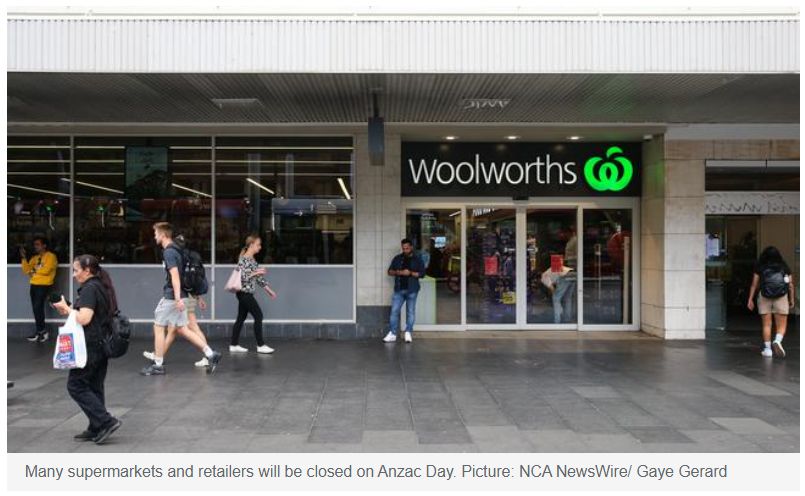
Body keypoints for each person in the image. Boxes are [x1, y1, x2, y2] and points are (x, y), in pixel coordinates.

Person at [51, 255, 122, 445]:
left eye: (76, 270)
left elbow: (84, 318)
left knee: (76, 385)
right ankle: (96, 426)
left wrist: (68, 310)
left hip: (90, 345)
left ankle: (106, 421)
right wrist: (69, 309)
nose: (74, 274)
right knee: (94, 386)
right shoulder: (100, 286)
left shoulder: (90, 288)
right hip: (101, 344)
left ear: (87, 270)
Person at [140, 222, 222, 376]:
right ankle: (211, 354)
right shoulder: (179, 251)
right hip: (182, 295)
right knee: (182, 329)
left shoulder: (169, 252)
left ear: (163, 235)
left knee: (158, 327)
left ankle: (158, 365)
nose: (154, 236)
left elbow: (175, 276)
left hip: (172, 296)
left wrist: (177, 298)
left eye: (156, 234)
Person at [230, 234, 278, 354]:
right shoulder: (244, 259)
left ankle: (233, 345)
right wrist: (256, 272)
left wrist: (269, 290)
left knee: (241, 318)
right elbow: (243, 278)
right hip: (244, 293)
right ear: (251, 245)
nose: (260, 247)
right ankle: (260, 345)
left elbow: (258, 278)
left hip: (246, 293)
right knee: (258, 316)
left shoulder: (252, 260)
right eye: (258, 245)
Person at [747, 246, 796, 358]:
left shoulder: (760, 266)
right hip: (781, 297)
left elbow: (754, 284)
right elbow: (790, 285)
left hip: (764, 297)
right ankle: (777, 341)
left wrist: (750, 299)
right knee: (781, 325)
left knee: (766, 325)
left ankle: (768, 350)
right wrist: (792, 299)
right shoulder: (784, 267)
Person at [383, 238, 425, 344]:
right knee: (394, 311)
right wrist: (399, 272)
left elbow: (422, 274)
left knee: (410, 312)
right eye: (403, 248)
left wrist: (410, 273)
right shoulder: (397, 258)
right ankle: (393, 334)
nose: (405, 250)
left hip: (412, 290)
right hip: (399, 289)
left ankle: (408, 332)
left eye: (407, 248)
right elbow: (389, 271)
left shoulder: (417, 259)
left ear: (411, 247)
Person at [21, 237, 58, 342]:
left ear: (44, 245)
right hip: (34, 284)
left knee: (38, 307)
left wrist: (33, 272)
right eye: (35, 244)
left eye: (38, 244)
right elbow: (26, 270)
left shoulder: (51, 256)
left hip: (44, 285)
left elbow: (46, 270)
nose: (35, 246)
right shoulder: (35, 258)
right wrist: (24, 258)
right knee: (36, 308)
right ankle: (39, 331)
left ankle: (43, 332)